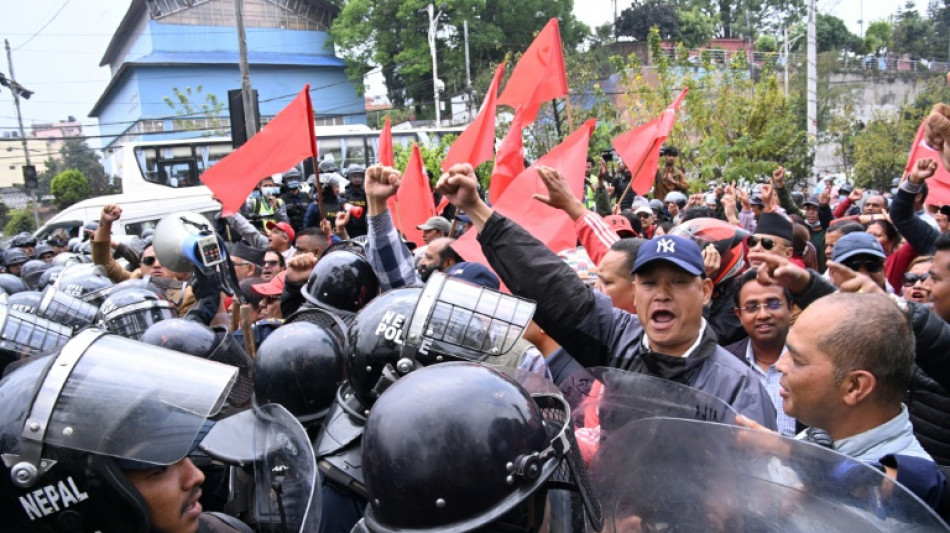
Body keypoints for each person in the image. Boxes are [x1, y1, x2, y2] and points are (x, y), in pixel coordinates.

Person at [436, 163, 777, 428]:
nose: (661, 295)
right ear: (634, 293)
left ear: (704, 291)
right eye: (649, 283)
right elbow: (549, 283)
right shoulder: (617, 337)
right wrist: (477, 209)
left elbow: (751, 491)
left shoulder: (739, 388)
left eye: (676, 282)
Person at [725, 271, 797, 436]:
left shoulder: (814, 358)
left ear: (791, 307)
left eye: (773, 304)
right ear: (739, 315)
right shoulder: (724, 364)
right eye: (751, 307)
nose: (763, 315)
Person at [342, 164, 369, 238]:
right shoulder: (345, 192)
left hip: (364, 225)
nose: (357, 179)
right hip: (350, 226)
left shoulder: (366, 192)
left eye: (360, 177)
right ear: (349, 177)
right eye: (355, 176)